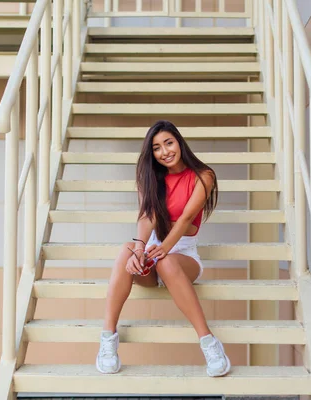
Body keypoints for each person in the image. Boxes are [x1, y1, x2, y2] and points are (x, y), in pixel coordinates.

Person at [96, 120, 231, 377]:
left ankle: (210, 344)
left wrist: (165, 249)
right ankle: (108, 339)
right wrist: (139, 249)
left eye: (169, 143)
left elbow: (186, 219)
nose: (165, 151)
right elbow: (147, 217)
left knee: (167, 262)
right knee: (127, 249)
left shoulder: (203, 176)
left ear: (179, 142)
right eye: (157, 148)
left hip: (182, 254)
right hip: (153, 250)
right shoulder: (151, 178)